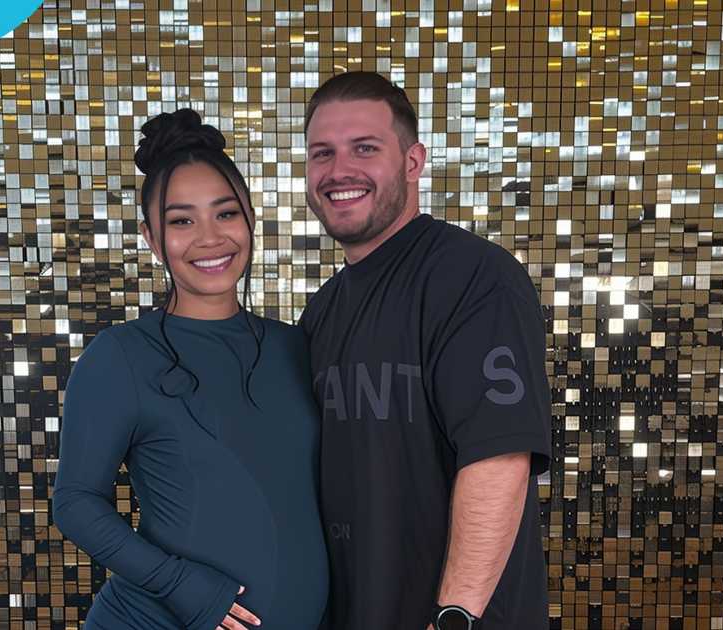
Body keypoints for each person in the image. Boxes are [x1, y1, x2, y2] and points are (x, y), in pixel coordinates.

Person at [53, 109, 328, 630]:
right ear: (152, 238)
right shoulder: (120, 356)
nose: (209, 238)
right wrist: (180, 584)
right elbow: (75, 502)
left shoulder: (297, 347)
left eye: (225, 214)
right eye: (182, 220)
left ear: (250, 217)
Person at [299, 72, 553, 630]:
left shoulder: (473, 278)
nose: (340, 170)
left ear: (413, 162)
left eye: (365, 148)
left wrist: (455, 617)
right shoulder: (322, 312)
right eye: (323, 153)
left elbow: (499, 459)